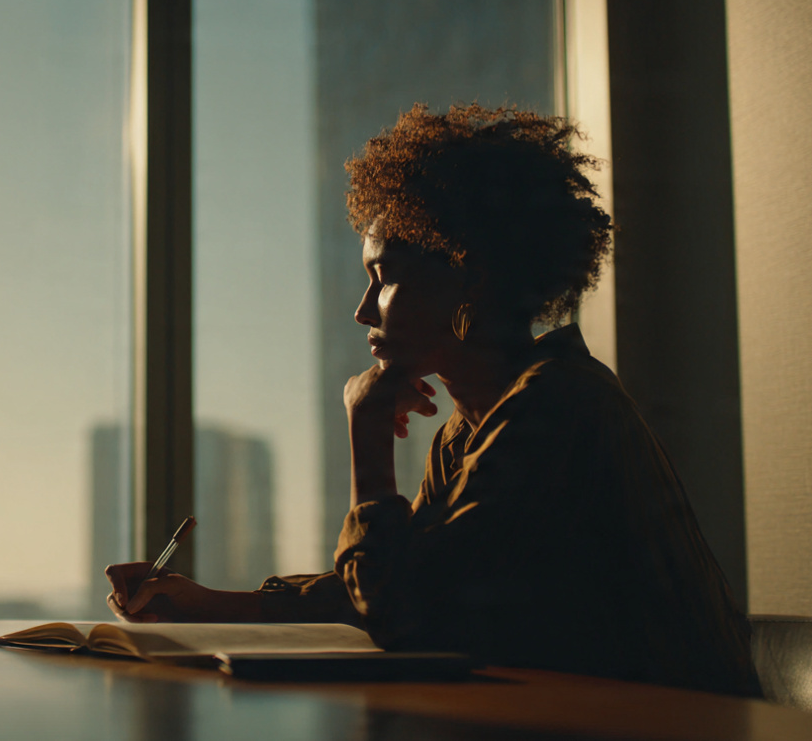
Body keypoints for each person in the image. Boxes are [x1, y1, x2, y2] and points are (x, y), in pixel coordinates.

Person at [105, 103, 760, 697]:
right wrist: (204, 603)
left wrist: (366, 438)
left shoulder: (561, 406)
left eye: (382, 278)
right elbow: (388, 585)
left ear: (469, 276)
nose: (364, 311)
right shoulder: (471, 429)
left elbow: (406, 611)